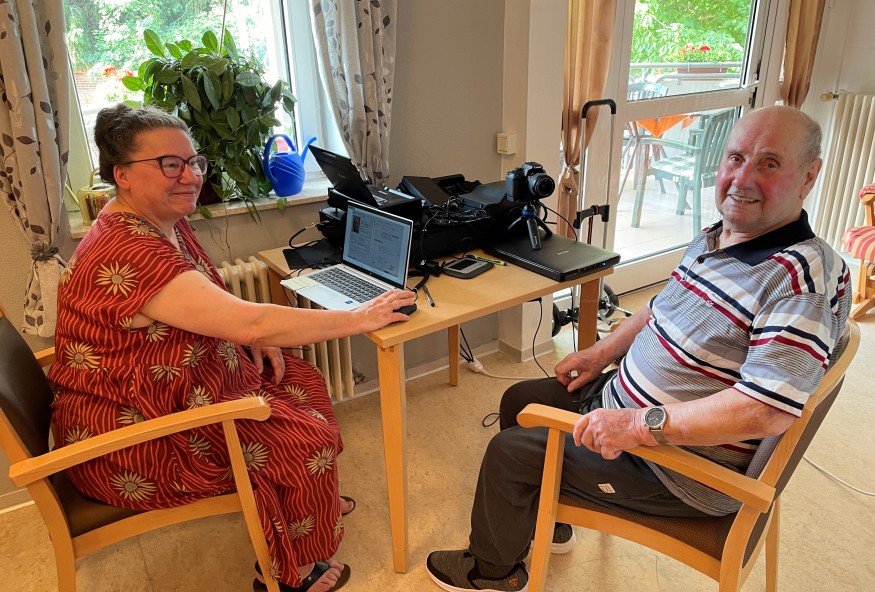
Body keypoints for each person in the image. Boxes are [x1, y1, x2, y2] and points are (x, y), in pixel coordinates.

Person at [426, 105, 852, 592]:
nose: (742, 179)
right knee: (519, 400)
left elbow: (765, 410)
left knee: (511, 453)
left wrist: (635, 424)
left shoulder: (799, 285)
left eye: (769, 164)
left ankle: (491, 573)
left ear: (809, 177)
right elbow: (659, 308)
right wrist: (600, 354)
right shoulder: (720, 236)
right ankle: (547, 518)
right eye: (736, 158)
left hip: (679, 468)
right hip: (629, 407)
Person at [48, 104, 416, 592]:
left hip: (170, 388)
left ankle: (311, 501)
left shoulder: (159, 221)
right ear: (123, 175)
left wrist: (247, 339)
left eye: (193, 162)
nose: (190, 177)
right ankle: (288, 574)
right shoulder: (128, 250)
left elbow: (215, 307)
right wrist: (359, 317)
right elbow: (254, 321)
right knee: (305, 441)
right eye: (169, 164)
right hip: (133, 436)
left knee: (301, 379)